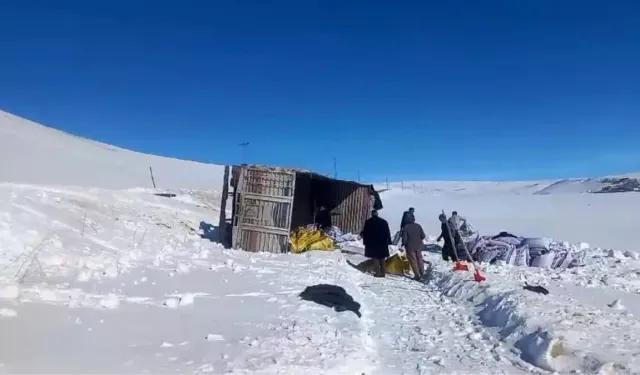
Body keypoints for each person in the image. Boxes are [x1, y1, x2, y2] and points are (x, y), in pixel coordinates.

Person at [361, 210, 392, 278]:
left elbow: (365, 233)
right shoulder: (384, 221)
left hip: (372, 243)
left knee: (375, 258)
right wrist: (389, 241)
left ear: (372, 214)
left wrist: (365, 241)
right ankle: (383, 273)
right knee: (382, 258)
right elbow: (387, 232)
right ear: (377, 214)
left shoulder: (369, 222)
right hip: (383, 242)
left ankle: (378, 273)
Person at [401, 215, 426, 280]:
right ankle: (422, 273)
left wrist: (404, 243)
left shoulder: (406, 227)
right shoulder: (418, 225)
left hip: (410, 246)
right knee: (419, 258)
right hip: (419, 245)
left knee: (413, 260)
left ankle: (417, 275)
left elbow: (404, 239)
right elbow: (423, 236)